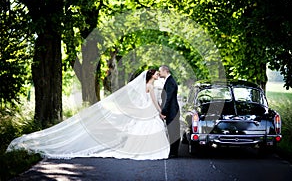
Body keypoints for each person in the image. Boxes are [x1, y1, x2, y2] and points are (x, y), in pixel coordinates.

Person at [6, 70, 170, 160]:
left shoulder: (144, 85)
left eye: (157, 73)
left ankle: (139, 150)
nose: (157, 75)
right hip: (148, 111)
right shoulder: (150, 85)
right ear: (151, 76)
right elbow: (154, 102)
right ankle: (146, 151)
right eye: (156, 74)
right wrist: (160, 113)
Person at [159, 65, 180, 158]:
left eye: (160, 71)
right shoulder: (169, 80)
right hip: (172, 110)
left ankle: (174, 152)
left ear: (165, 71)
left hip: (172, 111)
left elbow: (169, 98)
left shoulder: (170, 82)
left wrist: (163, 111)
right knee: (172, 131)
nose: (159, 73)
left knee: (173, 131)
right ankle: (173, 151)